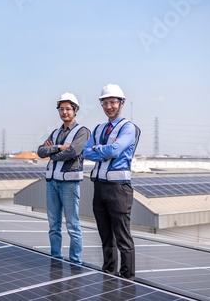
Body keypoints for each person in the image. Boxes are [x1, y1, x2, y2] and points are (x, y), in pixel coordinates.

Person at [83, 84, 141, 280]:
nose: (109, 106)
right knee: (105, 235)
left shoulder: (128, 127)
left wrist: (99, 150)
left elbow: (115, 151)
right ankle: (109, 272)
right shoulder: (99, 128)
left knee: (122, 236)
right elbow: (86, 151)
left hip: (119, 190)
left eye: (113, 102)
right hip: (99, 187)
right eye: (105, 102)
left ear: (121, 103)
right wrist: (104, 150)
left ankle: (127, 279)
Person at [37, 93, 90, 265]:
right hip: (51, 183)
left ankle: (75, 262)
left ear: (75, 110)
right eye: (61, 109)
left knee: (73, 226)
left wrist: (52, 152)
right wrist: (59, 147)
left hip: (69, 184)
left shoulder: (82, 131)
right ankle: (56, 258)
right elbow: (40, 151)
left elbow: (73, 151)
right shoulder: (55, 132)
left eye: (68, 109)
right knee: (53, 225)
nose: (64, 112)